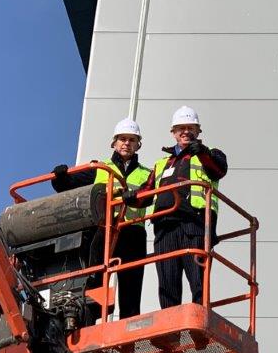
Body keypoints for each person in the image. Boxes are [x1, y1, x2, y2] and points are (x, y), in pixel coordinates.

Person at [125, 106, 228, 308]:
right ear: (173, 132)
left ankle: (200, 317)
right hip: (165, 228)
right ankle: (170, 323)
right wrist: (131, 198)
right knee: (167, 282)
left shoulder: (210, 155)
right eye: (181, 128)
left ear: (198, 131)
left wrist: (203, 152)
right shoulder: (162, 163)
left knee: (198, 280)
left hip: (196, 225)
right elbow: (147, 192)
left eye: (190, 127)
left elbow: (219, 170)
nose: (186, 132)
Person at [51, 118, 152, 319]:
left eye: (132, 140)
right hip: (105, 229)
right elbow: (66, 185)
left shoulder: (146, 174)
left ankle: (128, 330)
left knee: (131, 287)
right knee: (95, 280)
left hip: (133, 232)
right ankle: (89, 320)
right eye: (122, 139)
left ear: (138, 144)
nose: (126, 143)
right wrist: (60, 177)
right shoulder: (100, 169)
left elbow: (151, 197)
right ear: (114, 143)